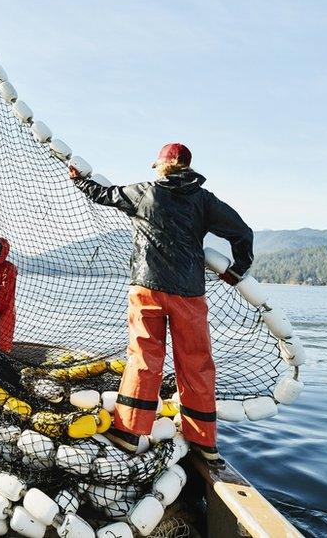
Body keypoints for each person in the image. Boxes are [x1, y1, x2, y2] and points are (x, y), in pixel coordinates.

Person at [69, 142, 253, 461]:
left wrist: (79, 180)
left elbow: (104, 193)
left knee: (144, 357)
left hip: (147, 289)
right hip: (189, 294)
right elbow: (242, 232)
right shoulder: (204, 201)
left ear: (160, 166)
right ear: (189, 169)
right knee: (196, 362)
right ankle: (204, 441)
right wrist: (238, 268)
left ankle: (129, 431)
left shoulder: (144, 193)